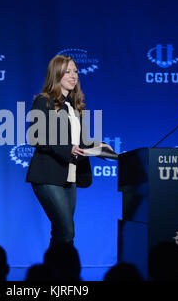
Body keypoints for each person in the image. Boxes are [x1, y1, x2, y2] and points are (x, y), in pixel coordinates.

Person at [26, 55, 112, 247]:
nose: (73, 76)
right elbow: (36, 137)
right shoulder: (44, 101)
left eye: (75, 71)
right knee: (66, 231)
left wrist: (99, 146)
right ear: (56, 74)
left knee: (61, 232)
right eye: (67, 72)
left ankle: (55, 271)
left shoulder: (74, 107)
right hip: (48, 176)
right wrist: (68, 149)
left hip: (69, 177)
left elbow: (78, 143)